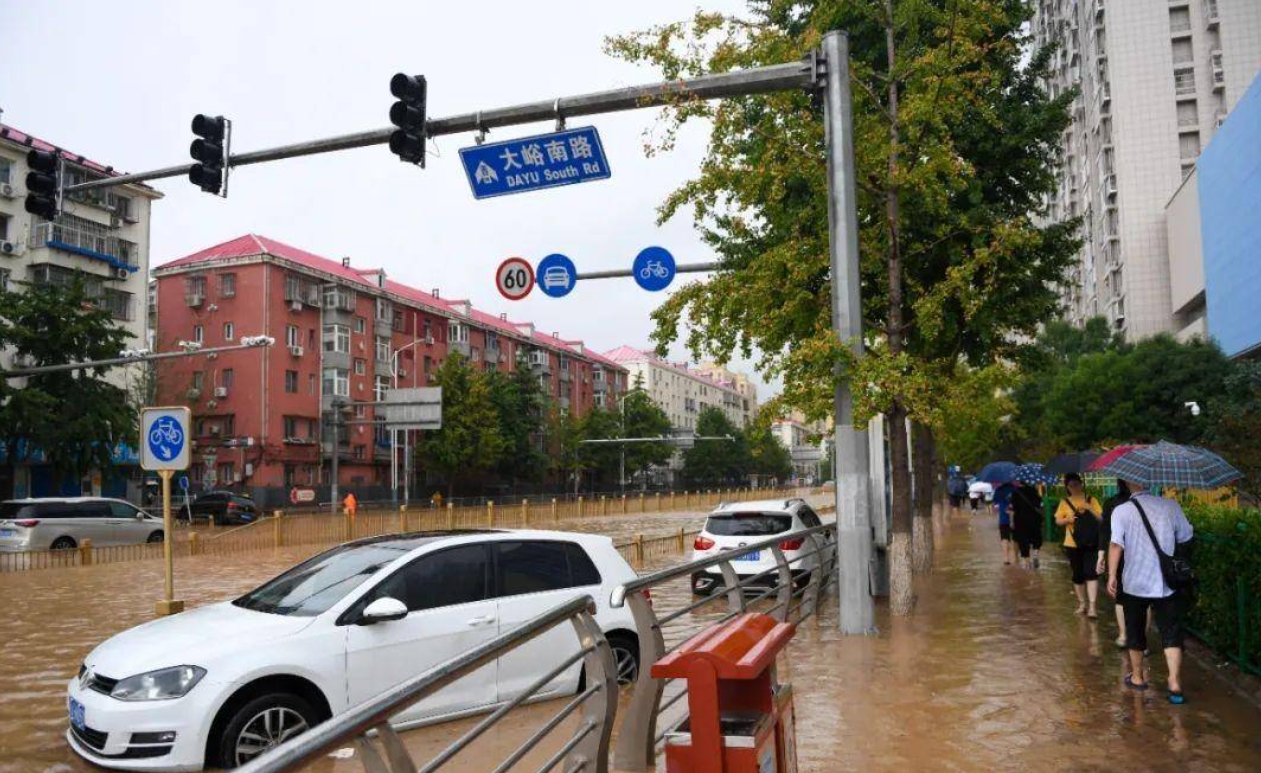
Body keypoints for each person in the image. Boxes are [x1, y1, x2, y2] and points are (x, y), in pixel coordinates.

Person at [1107, 479, 1194, 704]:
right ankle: (1174, 680)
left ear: (1127, 482)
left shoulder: (1122, 510)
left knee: (1135, 629)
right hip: (1167, 582)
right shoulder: (1171, 506)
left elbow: (1116, 544)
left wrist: (1111, 575)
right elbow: (1186, 536)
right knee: (1171, 631)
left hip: (1134, 582)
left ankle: (1137, 677)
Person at [1055, 473, 1103, 618]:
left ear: (1081, 484)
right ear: (1067, 487)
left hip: (1090, 542)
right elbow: (1058, 521)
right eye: (1071, 485)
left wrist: (1090, 508)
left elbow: (1101, 519)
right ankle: (1082, 604)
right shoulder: (1064, 502)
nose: (1074, 488)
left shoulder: (1091, 499)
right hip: (1072, 543)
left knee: (1091, 573)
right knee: (1078, 575)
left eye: (1076, 484)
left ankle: (1092, 607)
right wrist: (1067, 520)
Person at [1098, 480, 1132, 647]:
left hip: (1118, 555)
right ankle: (1142, 642)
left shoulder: (1112, 503)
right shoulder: (1148, 503)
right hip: (1141, 555)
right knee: (1144, 598)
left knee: (1120, 596)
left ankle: (1123, 635)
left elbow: (1105, 531)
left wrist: (1101, 555)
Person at [1011, 481, 1044, 570]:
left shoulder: (1015, 492)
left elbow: (1013, 508)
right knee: (1036, 537)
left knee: (1023, 540)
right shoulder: (1034, 490)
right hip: (1034, 519)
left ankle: (1027, 563)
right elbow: (1040, 504)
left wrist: (1012, 522)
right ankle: (1035, 552)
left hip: (1020, 520)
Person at [993, 483, 1015, 566]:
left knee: (1004, 538)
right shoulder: (1016, 489)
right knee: (1015, 539)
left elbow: (995, 505)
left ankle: (1006, 558)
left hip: (1003, 519)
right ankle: (1016, 558)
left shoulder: (998, 490)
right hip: (1016, 518)